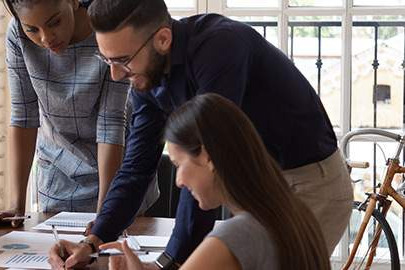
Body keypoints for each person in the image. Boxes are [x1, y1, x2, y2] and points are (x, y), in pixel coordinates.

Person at [50, 0, 352, 267]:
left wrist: (170, 262)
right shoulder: (146, 75)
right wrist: (94, 240)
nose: (116, 74)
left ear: (163, 39)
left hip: (309, 183)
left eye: (122, 60)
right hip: (257, 187)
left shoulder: (221, 47)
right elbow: (136, 167)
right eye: (107, 60)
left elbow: (211, 159)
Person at [0, 0, 158, 230]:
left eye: (55, 22)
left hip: (119, 178)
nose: (46, 38)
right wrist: (16, 206)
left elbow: (110, 124)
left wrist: (105, 215)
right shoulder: (17, 34)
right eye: (33, 29)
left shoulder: (109, 29)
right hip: (58, 180)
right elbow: (23, 117)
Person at [101, 93, 331, 270]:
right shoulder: (296, 214)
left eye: (179, 164)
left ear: (207, 155)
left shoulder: (236, 235)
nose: (179, 181)